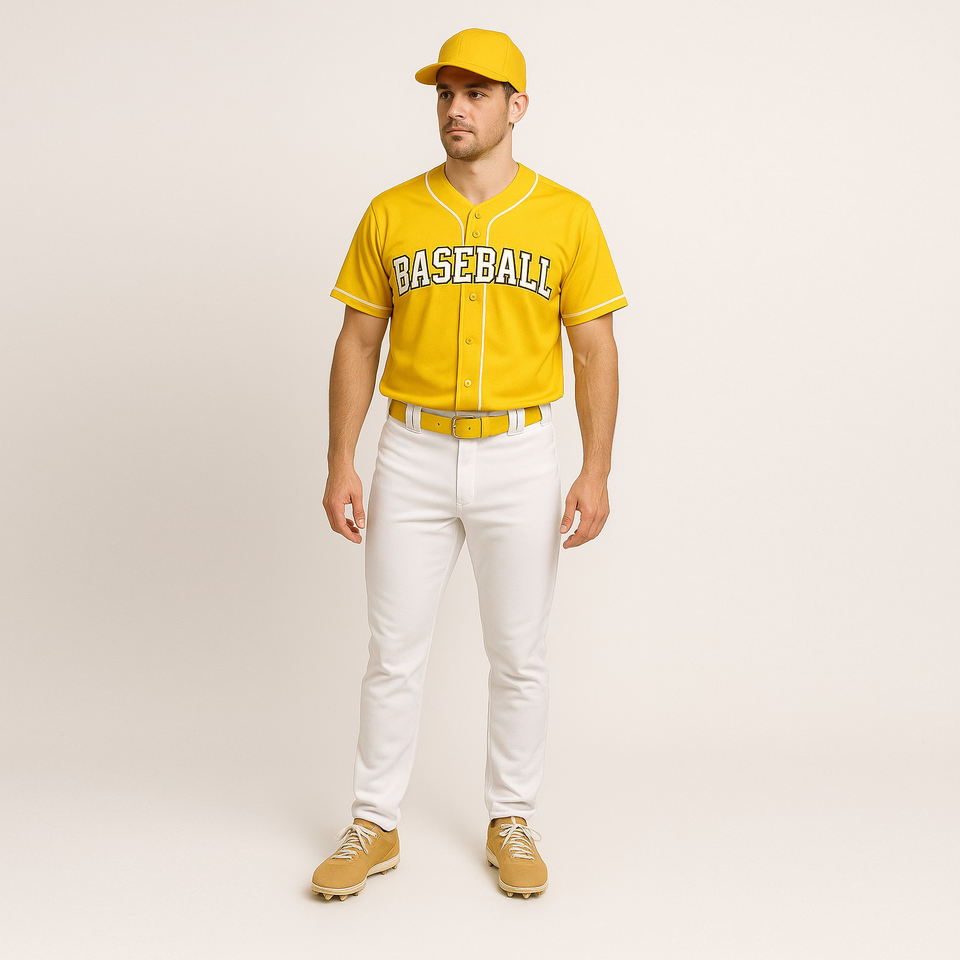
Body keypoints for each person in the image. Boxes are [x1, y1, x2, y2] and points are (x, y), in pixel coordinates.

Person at [310, 27, 627, 901]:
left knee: (519, 653)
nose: (456, 108)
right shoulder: (391, 211)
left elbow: (594, 349)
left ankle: (510, 816)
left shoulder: (566, 215)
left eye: (477, 93)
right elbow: (358, 340)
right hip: (411, 450)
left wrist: (595, 470)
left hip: (520, 453)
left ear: (517, 106)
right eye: (446, 93)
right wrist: (341, 459)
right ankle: (374, 822)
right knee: (393, 651)